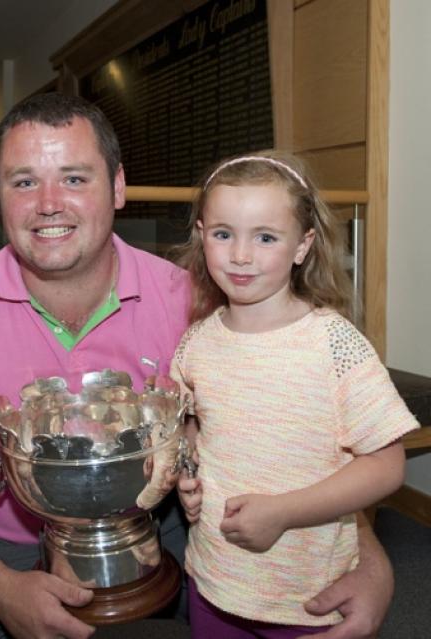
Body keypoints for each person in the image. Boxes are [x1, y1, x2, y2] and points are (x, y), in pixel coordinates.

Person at [0, 94, 398, 639]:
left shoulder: (196, 301)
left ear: (117, 187)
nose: (49, 203)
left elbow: (293, 441)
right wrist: (0, 590)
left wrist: (369, 562)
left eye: (74, 178)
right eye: (24, 182)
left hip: (162, 523)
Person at [170, 152, 419, 638]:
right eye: (224, 234)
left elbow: (387, 464)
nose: (241, 255)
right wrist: (189, 470)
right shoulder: (196, 341)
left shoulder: (335, 344)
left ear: (302, 246)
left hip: (305, 594)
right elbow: (192, 422)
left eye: (265, 237)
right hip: (215, 583)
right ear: (202, 236)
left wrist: (284, 512)